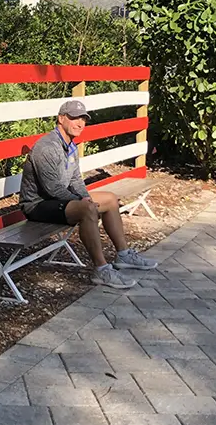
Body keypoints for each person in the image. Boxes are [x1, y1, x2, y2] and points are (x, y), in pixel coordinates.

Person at [19, 99, 158, 289]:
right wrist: (84, 202)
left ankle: (124, 255)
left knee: (109, 199)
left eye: (83, 119)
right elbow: (53, 189)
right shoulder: (47, 147)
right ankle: (101, 270)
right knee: (86, 209)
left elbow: (76, 180)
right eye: (74, 118)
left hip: (59, 200)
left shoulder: (71, 146)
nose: (80, 123)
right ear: (61, 118)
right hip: (37, 205)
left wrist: (85, 197)